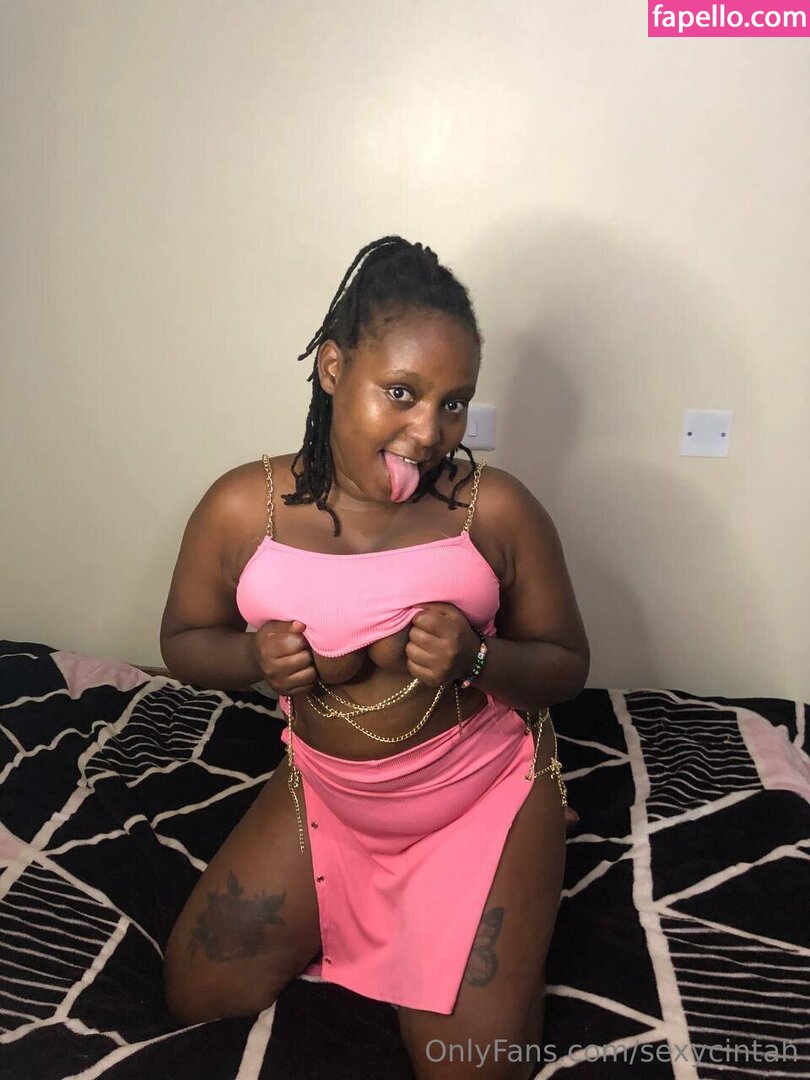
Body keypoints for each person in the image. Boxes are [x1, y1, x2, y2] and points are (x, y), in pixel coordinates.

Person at [160, 236, 590, 1080]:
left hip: (480, 799)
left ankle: (531, 851)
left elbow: (567, 665)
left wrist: (477, 660)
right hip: (326, 794)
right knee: (198, 991)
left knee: (470, 1067)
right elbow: (182, 643)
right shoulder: (244, 508)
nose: (429, 433)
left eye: (454, 403)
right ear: (332, 368)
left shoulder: (495, 510)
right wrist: (252, 657)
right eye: (402, 392)